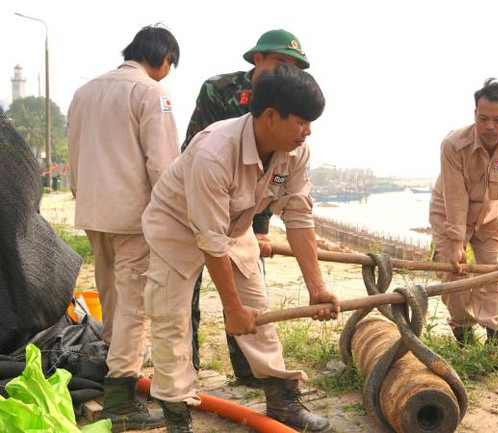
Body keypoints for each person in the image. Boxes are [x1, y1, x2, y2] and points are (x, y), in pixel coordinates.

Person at [141, 64, 339, 433]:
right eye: (301, 122)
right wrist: (231, 310)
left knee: (257, 310)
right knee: (172, 320)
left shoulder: (295, 152)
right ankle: (177, 415)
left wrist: (317, 288)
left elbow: (298, 216)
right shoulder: (215, 151)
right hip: (176, 227)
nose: (308, 131)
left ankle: (281, 401)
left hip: (234, 225)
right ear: (270, 117)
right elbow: (209, 239)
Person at [67, 25, 181, 430]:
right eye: (169, 65)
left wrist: (82, 196)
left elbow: (74, 155)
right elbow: (163, 164)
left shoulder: (84, 92)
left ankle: (113, 365)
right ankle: (121, 397)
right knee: (134, 304)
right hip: (135, 216)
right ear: (163, 58)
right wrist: (172, 217)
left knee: (111, 294)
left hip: (93, 211)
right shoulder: (152, 92)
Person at [182, 29, 310, 383]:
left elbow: (276, 172)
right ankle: (186, 370)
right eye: (281, 62)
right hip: (202, 199)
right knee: (184, 297)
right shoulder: (219, 90)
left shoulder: (293, 103)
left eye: (294, 66)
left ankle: (250, 371)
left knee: (249, 295)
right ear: (258, 59)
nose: (287, 71)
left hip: (246, 211)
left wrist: (261, 227)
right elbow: (200, 154)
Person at [429, 78, 498, 377]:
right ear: (475, 114)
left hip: (490, 217)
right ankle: (464, 341)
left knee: (494, 275)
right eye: (483, 118)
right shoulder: (454, 145)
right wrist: (456, 242)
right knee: (453, 274)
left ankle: (497, 348)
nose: (489, 126)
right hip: (448, 212)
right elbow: (455, 195)